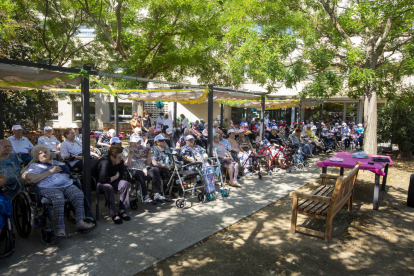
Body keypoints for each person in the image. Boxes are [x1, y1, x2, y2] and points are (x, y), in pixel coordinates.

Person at [23, 145, 94, 236]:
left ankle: (80, 222)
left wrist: (53, 172)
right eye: (40, 153)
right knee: (58, 199)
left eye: (46, 152)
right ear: (36, 156)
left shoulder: (57, 162)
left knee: (78, 194)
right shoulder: (33, 166)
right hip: (48, 187)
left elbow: (66, 170)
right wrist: (50, 171)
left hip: (66, 185)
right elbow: (30, 179)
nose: (44, 154)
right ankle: (60, 228)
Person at [93, 146, 131, 224]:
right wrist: (115, 177)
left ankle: (122, 210)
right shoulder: (105, 162)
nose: (121, 159)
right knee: (108, 187)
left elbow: (120, 177)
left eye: (121, 156)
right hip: (101, 183)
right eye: (119, 157)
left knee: (125, 184)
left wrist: (114, 178)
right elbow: (102, 180)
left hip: (112, 181)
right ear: (112, 157)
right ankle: (114, 214)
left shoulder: (120, 162)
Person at [123, 136, 162, 203]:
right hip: (133, 169)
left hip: (144, 168)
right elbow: (127, 165)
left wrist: (149, 155)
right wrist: (130, 154)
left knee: (155, 170)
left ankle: (156, 194)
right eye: (135, 142)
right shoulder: (126, 149)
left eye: (139, 142)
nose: (137, 144)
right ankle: (145, 195)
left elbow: (147, 163)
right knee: (139, 173)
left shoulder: (143, 148)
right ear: (131, 142)